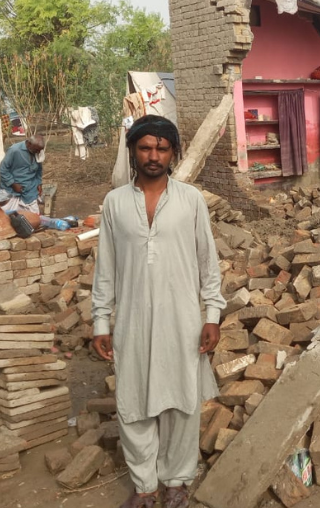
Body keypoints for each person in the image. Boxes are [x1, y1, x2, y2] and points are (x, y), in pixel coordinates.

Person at [91, 115, 224, 508]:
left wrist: (212, 316)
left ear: (173, 153)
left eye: (162, 148)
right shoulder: (115, 203)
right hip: (131, 322)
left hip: (182, 321)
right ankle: (145, 486)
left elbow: (208, 264)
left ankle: (177, 482)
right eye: (145, 147)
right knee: (133, 405)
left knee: (182, 404)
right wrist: (101, 321)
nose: (153, 155)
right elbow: (106, 270)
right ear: (133, 150)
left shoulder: (191, 200)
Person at [0, 134, 45, 213]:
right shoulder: (14, 150)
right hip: (11, 190)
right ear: (29, 144)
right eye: (37, 150)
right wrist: (13, 184)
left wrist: (39, 183)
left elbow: (39, 169)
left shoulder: (38, 151)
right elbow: (3, 169)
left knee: (33, 218)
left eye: (40, 150)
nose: (38, 152)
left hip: (30, 190)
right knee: (7, 217)